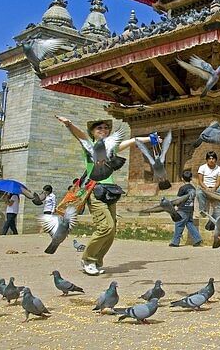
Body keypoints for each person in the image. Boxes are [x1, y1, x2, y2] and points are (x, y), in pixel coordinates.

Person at [56, 115, 155, 276]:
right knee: (105, 226)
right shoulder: (90, 146)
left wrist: (150, 138)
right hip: (95, 191)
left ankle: (96, 261)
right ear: (93, 133)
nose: (103, 130)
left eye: (106, 128)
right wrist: (69, 124)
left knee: (112, 230)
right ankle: (87, 259)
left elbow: (132, 141)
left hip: (110, 192)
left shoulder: (110, 148)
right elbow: (80, 134)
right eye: (99, 128)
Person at [169, 170, 202, 247]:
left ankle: (175, 242)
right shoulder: (193, 188)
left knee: (179, 225)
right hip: (190, 209)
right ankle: (197, 239)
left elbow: (179, 199)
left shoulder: (182, 188)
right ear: (191, 178)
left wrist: (175, 206)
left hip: (182, 209)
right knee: (190, 224)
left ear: (182, 179)